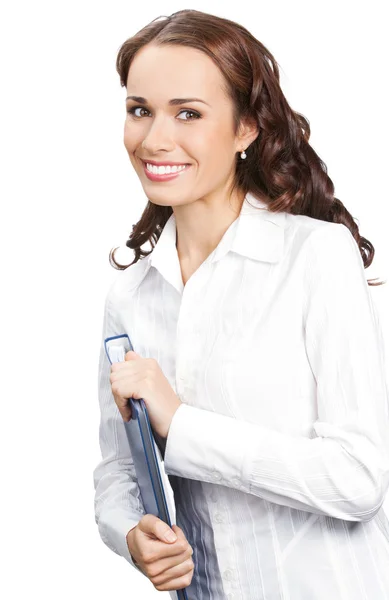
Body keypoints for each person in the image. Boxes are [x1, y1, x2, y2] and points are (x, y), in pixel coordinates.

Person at [93, 9, 389, 600]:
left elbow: (360, 479)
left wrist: (182, 425)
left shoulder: (316, 258)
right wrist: (130, 533)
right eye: (139, 110)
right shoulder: (132, 294)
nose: (154, 138)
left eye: (189, 114)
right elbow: (118, 470)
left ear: (247, 128)